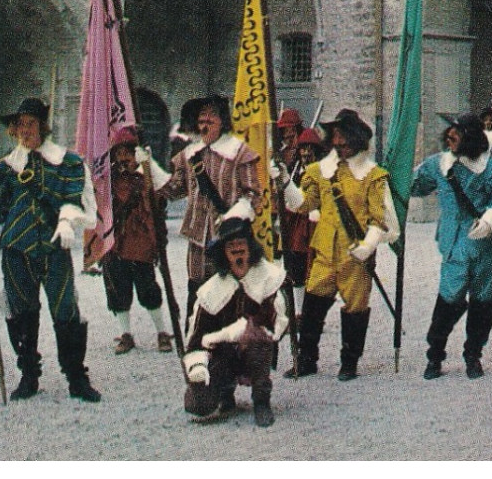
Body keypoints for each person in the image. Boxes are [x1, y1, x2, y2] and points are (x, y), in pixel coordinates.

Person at [0, 97, 100, 402]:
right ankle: (28, 376)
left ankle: (77, 378)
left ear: (42, 126)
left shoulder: (67, 162)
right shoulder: (3, 169)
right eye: (20, 125)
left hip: (54, 248)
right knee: (22, 312)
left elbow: (74, 197)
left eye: (31, 123)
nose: (25, 130)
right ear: (13, 130)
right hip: (16, 249)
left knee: (66, 310)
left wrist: (66, 221)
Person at [279, 108, 396, 380]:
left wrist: (367, 247)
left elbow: (380, 219)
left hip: (355, 257)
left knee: (355, 310)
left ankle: (349, 362)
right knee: (311, 309)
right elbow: (303, 205)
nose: (339, 141)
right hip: (324, 252)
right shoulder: (319, 171)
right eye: (335, 135)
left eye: (343, 135)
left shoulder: (373, 175)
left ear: (356, 139)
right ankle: (306, 360)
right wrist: (285, 181)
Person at [409, 114, 492, 380]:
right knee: (449, 297)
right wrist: (395, 173)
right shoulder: (439, 164)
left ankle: (473, 355)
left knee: (483, 300)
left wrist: (490, 220)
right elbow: (416, 186)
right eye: (449, 131)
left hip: (485, 247)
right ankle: (435, 356)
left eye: (456, 132)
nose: (450, 136)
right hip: (454, 244)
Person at [149, 95, 262, 313]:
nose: (205, 122)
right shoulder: (188, 155)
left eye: (211, 117)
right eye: (201, 118)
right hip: (197, 241)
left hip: (230, 238)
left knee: (231, 294)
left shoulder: (239, 152)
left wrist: (234, 215)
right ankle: (197, 342)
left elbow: (253, 195)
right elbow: (173, 190)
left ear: (223, 121)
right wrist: (150, 166)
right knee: (198, 295)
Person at [183, 213, 290, 427]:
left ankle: (261, 401)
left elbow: (274, 324)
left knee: (257, 337)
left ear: (250, 247)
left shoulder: (268, 277)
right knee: (199, 403)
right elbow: (197, 337)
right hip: (223, 353)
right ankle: (225, 395)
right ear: (223, 253)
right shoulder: (211, 290)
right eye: (231, 245)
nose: (237, 249)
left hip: (256, 349)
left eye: (241, 243)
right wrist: (198, 368)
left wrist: (242, 331)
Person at [102, 127, 173, 354]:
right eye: (119, 153)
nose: (123, 158)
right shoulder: (108, 178)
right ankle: (126, 334)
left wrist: (149, 165)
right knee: (118, 291)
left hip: (142, 244)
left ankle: (162, 332)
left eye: (128, 153)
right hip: (115, 244)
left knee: (148, 290)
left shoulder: (147, 175)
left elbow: (168, 189)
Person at [280, 127, 323, 287]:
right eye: (303, 149)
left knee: (311, 268)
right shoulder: (295, 170)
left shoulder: (320, 172)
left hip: (312, 225)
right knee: (294, 267)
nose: (306, 154)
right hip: (294, 225)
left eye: (310, 150)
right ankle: (297, 307)